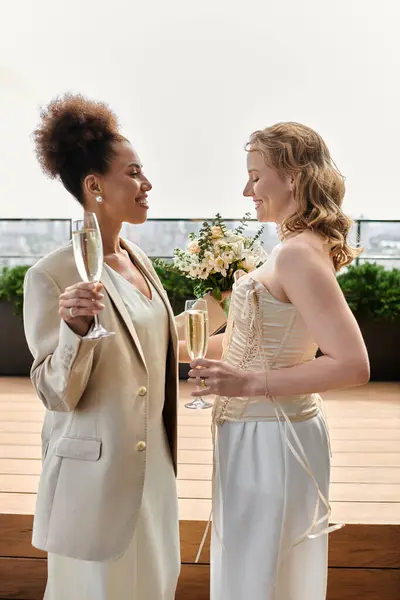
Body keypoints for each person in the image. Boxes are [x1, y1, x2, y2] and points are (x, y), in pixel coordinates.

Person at [187, 122, 370, 600]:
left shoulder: (296, 256)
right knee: (256, 569)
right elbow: (255, 344)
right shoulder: (291, 248)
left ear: (292, 176)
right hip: (257, 431)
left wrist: (245, 386)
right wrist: (175, 345)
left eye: (255, 176)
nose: (246, 190)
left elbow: (352, 364)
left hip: (273, 437)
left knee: (260, 576)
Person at [23, 93, 189, 600]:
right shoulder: (51, 275)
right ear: (94, 186)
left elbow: (151, 345)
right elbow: (54, 392)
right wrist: (72, 329)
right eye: (133, 173)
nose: (147, 184)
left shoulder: (139, 260)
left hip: (153, 471)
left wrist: (225, 300)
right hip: (92, 481)